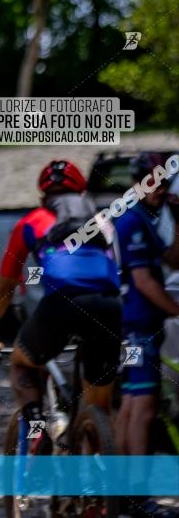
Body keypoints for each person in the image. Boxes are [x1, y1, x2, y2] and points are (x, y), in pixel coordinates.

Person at [0, 160, 122, 453]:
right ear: (83, 194)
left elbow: (5, 289)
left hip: (61, 305)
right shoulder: (105, 222)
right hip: (108, 306)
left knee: (21, 363)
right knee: (99, 406)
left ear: (43, 197)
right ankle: (96, 478)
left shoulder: (30, 222)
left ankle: (36, 426)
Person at [113, 152, 179, 517]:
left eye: (164, 183)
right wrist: (176, 309)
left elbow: (172, 261)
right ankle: (137, 497)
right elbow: (144, 281)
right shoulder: (134, 222)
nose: (160, 190)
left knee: (129, 406)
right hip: (139, 325)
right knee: (143, 408)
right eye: (153, 182)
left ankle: (125, 493)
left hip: (134, 326)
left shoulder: (141, 218)